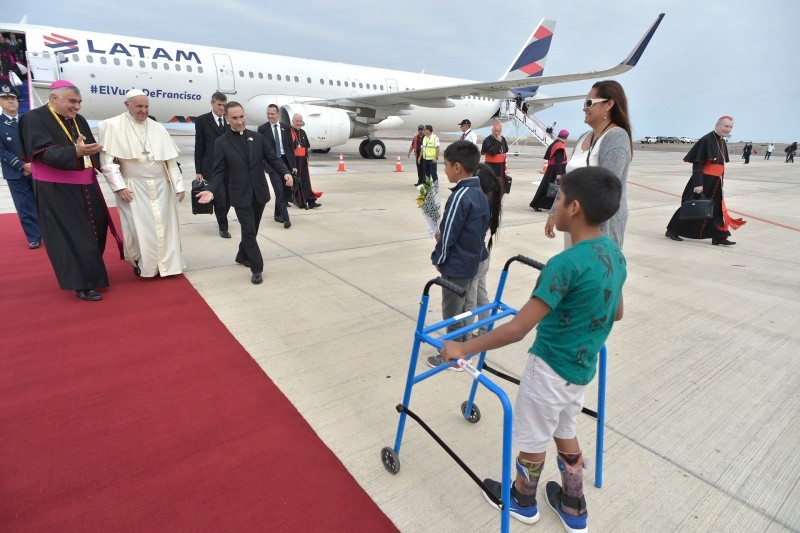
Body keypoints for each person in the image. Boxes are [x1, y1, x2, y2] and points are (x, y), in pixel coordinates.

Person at [441, 166, 626, 531]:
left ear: (574, 208)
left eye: (559, 199)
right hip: (580, 369)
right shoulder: (614, 255)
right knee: (565, 427)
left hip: (549, 369)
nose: (554, 205)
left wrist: (463, 348)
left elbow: (518, 329)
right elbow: (616, 312)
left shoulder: (564, 265)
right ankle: (573, 504)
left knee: (533, 436)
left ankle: (523, 499)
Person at [19, 80, 122, 301]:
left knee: (98, 225)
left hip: (86, 184)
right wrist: (75, 152)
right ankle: (82, 284)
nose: (77, 107)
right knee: (73, 235)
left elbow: (91, 150)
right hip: (57, 189)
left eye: (79, 102)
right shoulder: (33, 118)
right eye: (72, 101)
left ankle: (92, 273)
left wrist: (111, 161)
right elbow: (43, 153)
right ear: (54, 98)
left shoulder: (79, 119)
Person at [196, 102, 293, 284]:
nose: (240, 121)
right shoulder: (222, 143)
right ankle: (257, 268)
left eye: (241, 117)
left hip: (259, 194)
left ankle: (241, 255)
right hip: (240, 195)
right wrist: (210, 190)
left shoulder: (257, 138)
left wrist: (285, 172)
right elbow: (219, 172)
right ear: (227, 119)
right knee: (248, 231)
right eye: (234, 118)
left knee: (252, 230)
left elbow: (273, 158)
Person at [98, 89, 185, 278]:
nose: (143, 111)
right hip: (133, 187)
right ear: (127, 104)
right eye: (139, 106)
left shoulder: (158, 128)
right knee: (138, 229)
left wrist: (179, 186)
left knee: (165, 226)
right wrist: (119, 187)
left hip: (161, 186)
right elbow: (107, 162)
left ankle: (168, 266)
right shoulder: (112, 126)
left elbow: (170, 161)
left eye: (146, 106)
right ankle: (143, 263)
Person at [545, 80, 632, 248]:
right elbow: (568, 182)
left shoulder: (616, 138)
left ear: (609, 104)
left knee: (591, 264)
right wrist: (553, 213)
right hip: (575, 221)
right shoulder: (583, 137)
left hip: (599, 227)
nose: (584, 108)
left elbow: (607, 192)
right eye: (584, 103)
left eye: (589, 103)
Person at [427, 140, 489, 370]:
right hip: (472, 263)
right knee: (463, 310)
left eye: (445, 165)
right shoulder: (479, 193)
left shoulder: (460, 196)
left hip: (456, 267)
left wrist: (438, 258)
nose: (444, 170)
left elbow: (449, 234)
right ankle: (463, 349)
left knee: (452, 313)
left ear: (457, 167)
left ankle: (453, 358)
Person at [665, 116, 745, 246]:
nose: (728, 129)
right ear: (717, 126)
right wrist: (698, 184)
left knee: (716, 209)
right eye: (726, 126)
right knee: (692, 206)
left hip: (716, 181)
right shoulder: (706, 140)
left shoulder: (721, 141)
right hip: (704, 180)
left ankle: (719, 237)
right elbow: (698, 163)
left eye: (731, 127)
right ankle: (672, 230)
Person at [464, 163, 504, 336]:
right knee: (482, 297)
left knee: (469, 302)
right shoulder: (491, 204)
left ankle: (464, 339)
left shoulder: (478, 206)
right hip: (483, 257)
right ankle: (484, 332)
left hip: (475, 261)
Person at [0, 83, 40, 249]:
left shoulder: (28, 120)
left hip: (36, 169)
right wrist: (22, 165)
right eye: (5, 99)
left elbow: (37, 143)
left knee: (42, 202)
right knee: (24, 206)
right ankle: (34, 236)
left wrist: (32, 164)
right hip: (15, 172)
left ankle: (49, 232)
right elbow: (1, 150)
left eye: (13, 98)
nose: (10, 101)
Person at [194, 91, 231, 238]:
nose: (222, 108)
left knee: (228, 198)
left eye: (224, 105)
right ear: (212, 103)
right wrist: (198, 170)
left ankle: (222, 216)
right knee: (220, 197)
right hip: (211, 167)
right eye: (219, 104)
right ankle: (223, 227)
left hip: (229, 167)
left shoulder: (229, 119)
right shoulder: (202, 121)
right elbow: (199, 146)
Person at [257, 104, 295, 227]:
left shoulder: (286, 128)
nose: (270, 116)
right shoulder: (262, 129)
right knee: (279, 190)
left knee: (285, 190)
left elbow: (290, 148)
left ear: (278, 114)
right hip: (272, 163)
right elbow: (260, 149)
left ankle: (277, 214)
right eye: (268, 114)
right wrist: (263, 165)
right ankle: (286, 219)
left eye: (272, 114)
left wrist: (293, 165)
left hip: (285, 162)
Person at [530, 129, 569, 211]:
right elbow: (558, 161)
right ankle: (537, 204)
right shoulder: (560, 145)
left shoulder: (556, 143)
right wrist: (558, 173)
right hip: (556, 169)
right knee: (551, 188)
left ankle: (540, 204)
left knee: (548, 187)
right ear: (566, 137)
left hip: (553, 168)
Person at [290, 113, 321, 209]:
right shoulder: (289, 132)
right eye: (297, 121)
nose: (299, 123)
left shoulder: (302, 132)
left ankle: (310, 201)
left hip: (303, 161)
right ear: (292, 121)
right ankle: (298, 201)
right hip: (294, 161)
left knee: (305, 181)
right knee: (295, 182)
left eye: (300, 121)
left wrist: (306, 159)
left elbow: (306, 146)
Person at [481, 122, 509, 193]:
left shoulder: (503, 139)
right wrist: (498, 142)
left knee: (500, 183)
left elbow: (505, 150)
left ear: (501, 131)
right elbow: (492, 152)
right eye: (495, 131)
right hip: (491, 165)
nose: (497, 133)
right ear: (492, 130)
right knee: (491, 184)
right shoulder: (487, 139)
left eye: (498, 131)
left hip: (501, 165)